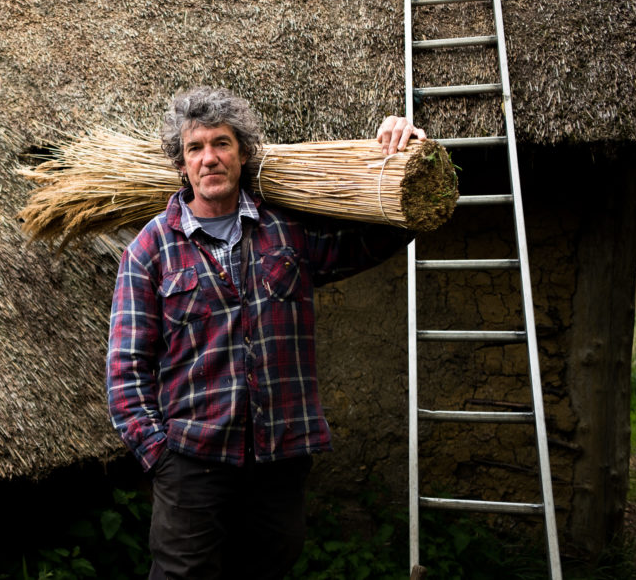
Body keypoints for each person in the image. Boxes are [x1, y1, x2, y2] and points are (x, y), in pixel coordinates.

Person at [105, 86, 426, 580]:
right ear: (182, 163)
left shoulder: (286, 232)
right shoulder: (149, 251)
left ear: (243, 153)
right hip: (192, 461)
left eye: (221, 143)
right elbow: (126, 371)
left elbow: (380, 236)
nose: (209, 158)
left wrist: (404, 159)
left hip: (280, 459)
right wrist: (160, 456)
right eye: (195, 148)